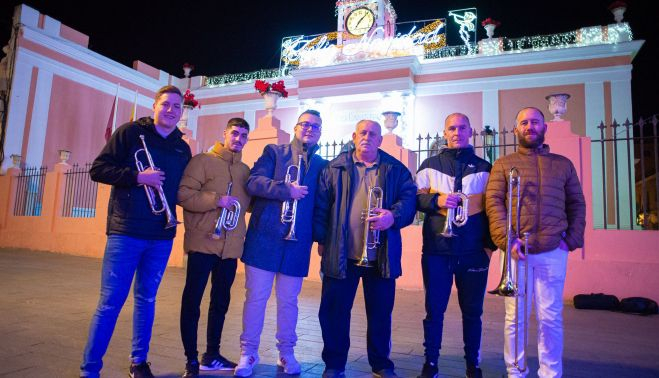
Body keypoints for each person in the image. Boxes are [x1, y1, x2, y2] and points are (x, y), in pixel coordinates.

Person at [81, 85, 192, 378]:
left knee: (147, 300)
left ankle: (138, 362)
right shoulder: (130, 133)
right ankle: (90, 369)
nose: (171, 110)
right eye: (166, 104)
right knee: (110, 303)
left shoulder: (182, 147)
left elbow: (184, 190)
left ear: (181, 112)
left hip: (161, 235)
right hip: (126, 232)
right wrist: (137, 176)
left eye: (176, 107)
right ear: (155, 106)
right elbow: (98, 169)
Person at [485, 107, 586, 378]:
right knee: (515, 316)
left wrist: (571, 240)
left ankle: (550, 373)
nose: (530, 126)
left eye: (535, 122)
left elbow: (577, 202)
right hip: (516, 250)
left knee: (550, 317)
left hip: (553, 250)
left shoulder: (563, 164)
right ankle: (516, 371)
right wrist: (507, 240)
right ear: (516, 129)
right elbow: (493, 203)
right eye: (524, 122)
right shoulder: (503, 164)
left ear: (544, 127)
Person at [313, 120, 417, 378]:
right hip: (342, 255)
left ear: (380, 140)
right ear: (354, 136)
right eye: (363, 133)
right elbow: (321, 207)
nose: (367, 137)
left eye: (373, 134)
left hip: (381, 256)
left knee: (381, 315)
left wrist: (393, 216)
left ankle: (381, 363)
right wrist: (322, 241)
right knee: (334, 313)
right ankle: (334, 364)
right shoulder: (334, 168)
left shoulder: (396, 169)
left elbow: (409, 200)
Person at [234, 110, 328, 377]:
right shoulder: (274, 152)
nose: (310, 129)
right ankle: (248, 352)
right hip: (264, 238)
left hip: (297, 244)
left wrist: (321, 238)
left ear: (320, 133)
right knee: (256, 299)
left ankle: (286, 353)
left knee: (289, 302)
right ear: (296, 127)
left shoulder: (321, 165)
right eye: (305, 124)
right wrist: (286, 190)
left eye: (315, 127)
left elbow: (321, 206)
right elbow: (254, 182)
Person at [415, 113, 496, 378]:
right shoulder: (429, 165)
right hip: (437, 251)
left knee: (473, 312)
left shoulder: (485, 167)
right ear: (444, 132)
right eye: (451, 128)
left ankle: (473, 365)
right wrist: (437, 202)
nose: (456, 132)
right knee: (434, 310)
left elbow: (495, 209)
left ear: (470, 131)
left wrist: (488, 248)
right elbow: (413, 199)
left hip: (473, 253)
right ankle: (431, 364)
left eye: (462, 128)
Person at [177, 118, 251, 378]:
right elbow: (183, 194)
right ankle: (191, 359)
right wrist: (217, 200)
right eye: (235, 133)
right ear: (225, 133)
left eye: (243, 135)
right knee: (192, 301)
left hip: (230, 249)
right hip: (203, 243)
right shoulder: (202, 161)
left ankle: (212, 354)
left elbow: (250, 204)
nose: (238, 139)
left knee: (220, 302)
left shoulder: (244, 170)